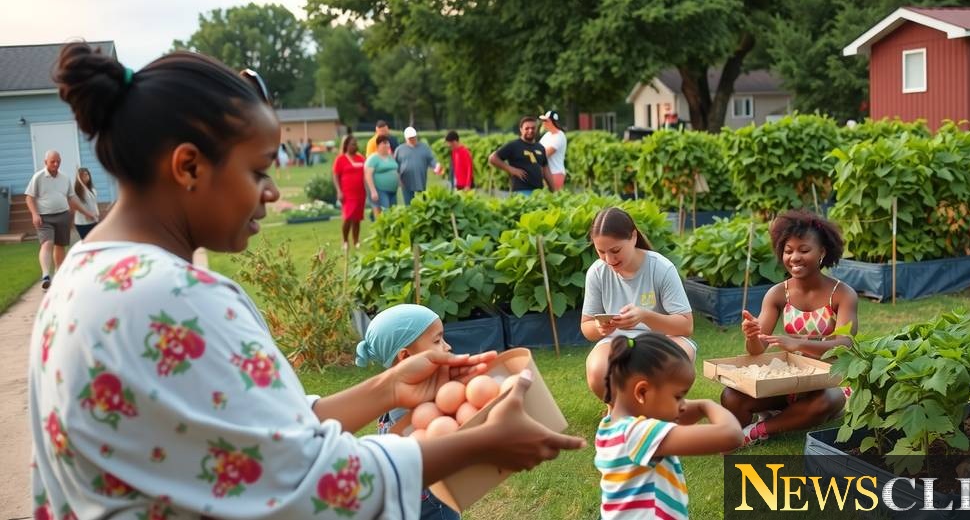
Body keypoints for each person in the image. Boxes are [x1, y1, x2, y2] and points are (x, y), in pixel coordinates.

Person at [30, 41, 584, 519]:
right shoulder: (173, 298)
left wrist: (389, 388)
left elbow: (255, 434)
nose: (271, 191)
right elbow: (302, 482)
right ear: (189, 166)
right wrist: (479, 444)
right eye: (258, 170)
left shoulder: (86, 272)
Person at [720, 209, 858, 447]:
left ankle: (758, 430)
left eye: (804, 250)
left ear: (822, 252)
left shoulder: (843, 294)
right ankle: (780, 416)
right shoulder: (777, 293)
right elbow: (757, 349)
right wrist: (752, 335)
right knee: (731, 396)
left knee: (822, 403)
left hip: (827, 384)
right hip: (787, 382)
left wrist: (797, 344)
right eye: (788, 250)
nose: (794, 257)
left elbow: (845, 344)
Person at [596, 333, 743, 519]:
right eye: (678, 396)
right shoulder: (638, 433)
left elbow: (677, 417)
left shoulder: (613, 426)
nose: (683, 405)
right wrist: (707, 405)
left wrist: (687, 406)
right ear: (642, 392)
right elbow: (731, 435)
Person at [356, 304, 463, 520]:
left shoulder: (395, 395)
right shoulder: (415, 409)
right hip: (432, 503)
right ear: (405, 356)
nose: (447, 346)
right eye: (437, 341)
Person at [581, 207, 696, 401]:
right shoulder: (597, 272)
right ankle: (618, 407)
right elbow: (586, 326)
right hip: (617, 341)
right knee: (597, 370)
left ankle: (660, 407)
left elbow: (686, 326)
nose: (609, 260)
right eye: (601, 252)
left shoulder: (661, 268)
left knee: (675, 362)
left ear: (633, 237)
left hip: (662, 339)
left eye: (615, 251)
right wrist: (601, 328)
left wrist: (645, 316)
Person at [24, 150, 97, 290]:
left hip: (63, 215)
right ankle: (46, 275)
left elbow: (72, 198)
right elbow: (29, 197)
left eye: (58, 161)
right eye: (52, 161)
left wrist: (87, 212)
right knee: (47, 243)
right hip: (44, 217)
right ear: (45, 162)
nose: (56, 164)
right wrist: (34, 214)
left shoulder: (64, 178)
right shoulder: (38, 177)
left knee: (60, 245)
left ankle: (59, 275)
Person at [488, 116, 554, 195]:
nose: (530, 130)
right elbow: (493, 158)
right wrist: (511, 169)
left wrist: (554, 191)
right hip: (521, 190)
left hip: (538, 191)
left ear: (536, 129)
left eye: (533, 128)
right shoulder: (514, 145)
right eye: (527, 128)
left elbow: (546, 169)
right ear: (521, 129)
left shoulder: (540, 147)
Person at [333, 134, 367, 249]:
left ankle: (356, 241)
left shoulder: (361, 158)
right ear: (346, 146)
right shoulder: (341, 159)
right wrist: (339, 191)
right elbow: (336, 175)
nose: (355, 146)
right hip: (347, 194)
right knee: (348, 217)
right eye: (352, 144)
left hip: (360, 193)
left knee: (357, 218)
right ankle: (345, 240)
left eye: (356, 144)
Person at [395, 126, 443, 205]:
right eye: (410, 138)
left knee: (421, 204)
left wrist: (436, 166)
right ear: (406, 138)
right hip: (406, 182)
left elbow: (431, 160)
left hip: (420, 181)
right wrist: (398, 179)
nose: (412, 139)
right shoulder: (399, 150)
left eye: (413, 137)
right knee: (408, 205)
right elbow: (395, 166)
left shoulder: (424, 148)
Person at [364, 134, 401, 217]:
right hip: (380, 190)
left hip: (393, 191)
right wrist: (373, 191)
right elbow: (368, 175)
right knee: (385, 212)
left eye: (387, 143)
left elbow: (396, 170)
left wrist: (399, 182)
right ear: (378, 145)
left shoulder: (391, 157)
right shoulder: (373, 158)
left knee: (393, 213)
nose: (387, 145)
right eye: (384, 143)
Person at [538, 111, 567, 191]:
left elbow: (545, 154)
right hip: (546, 174)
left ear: (551, 121)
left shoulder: (559, 136)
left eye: (545, 121)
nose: (543, 123)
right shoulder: (547, 135)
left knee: (555, 197)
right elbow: (537, 148)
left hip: (555, 174)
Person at [73, 167, 100, 240]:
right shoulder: (76, 191)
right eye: (83, 175)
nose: (86, 176)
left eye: (87, 174)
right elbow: (75, 205)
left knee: (95, 241)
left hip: (94, 220)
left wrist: (97, 213)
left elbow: (94, 204)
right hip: (82, 223)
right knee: (87, 241)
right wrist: (87, 214)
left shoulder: (92, 190)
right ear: (79, 178)